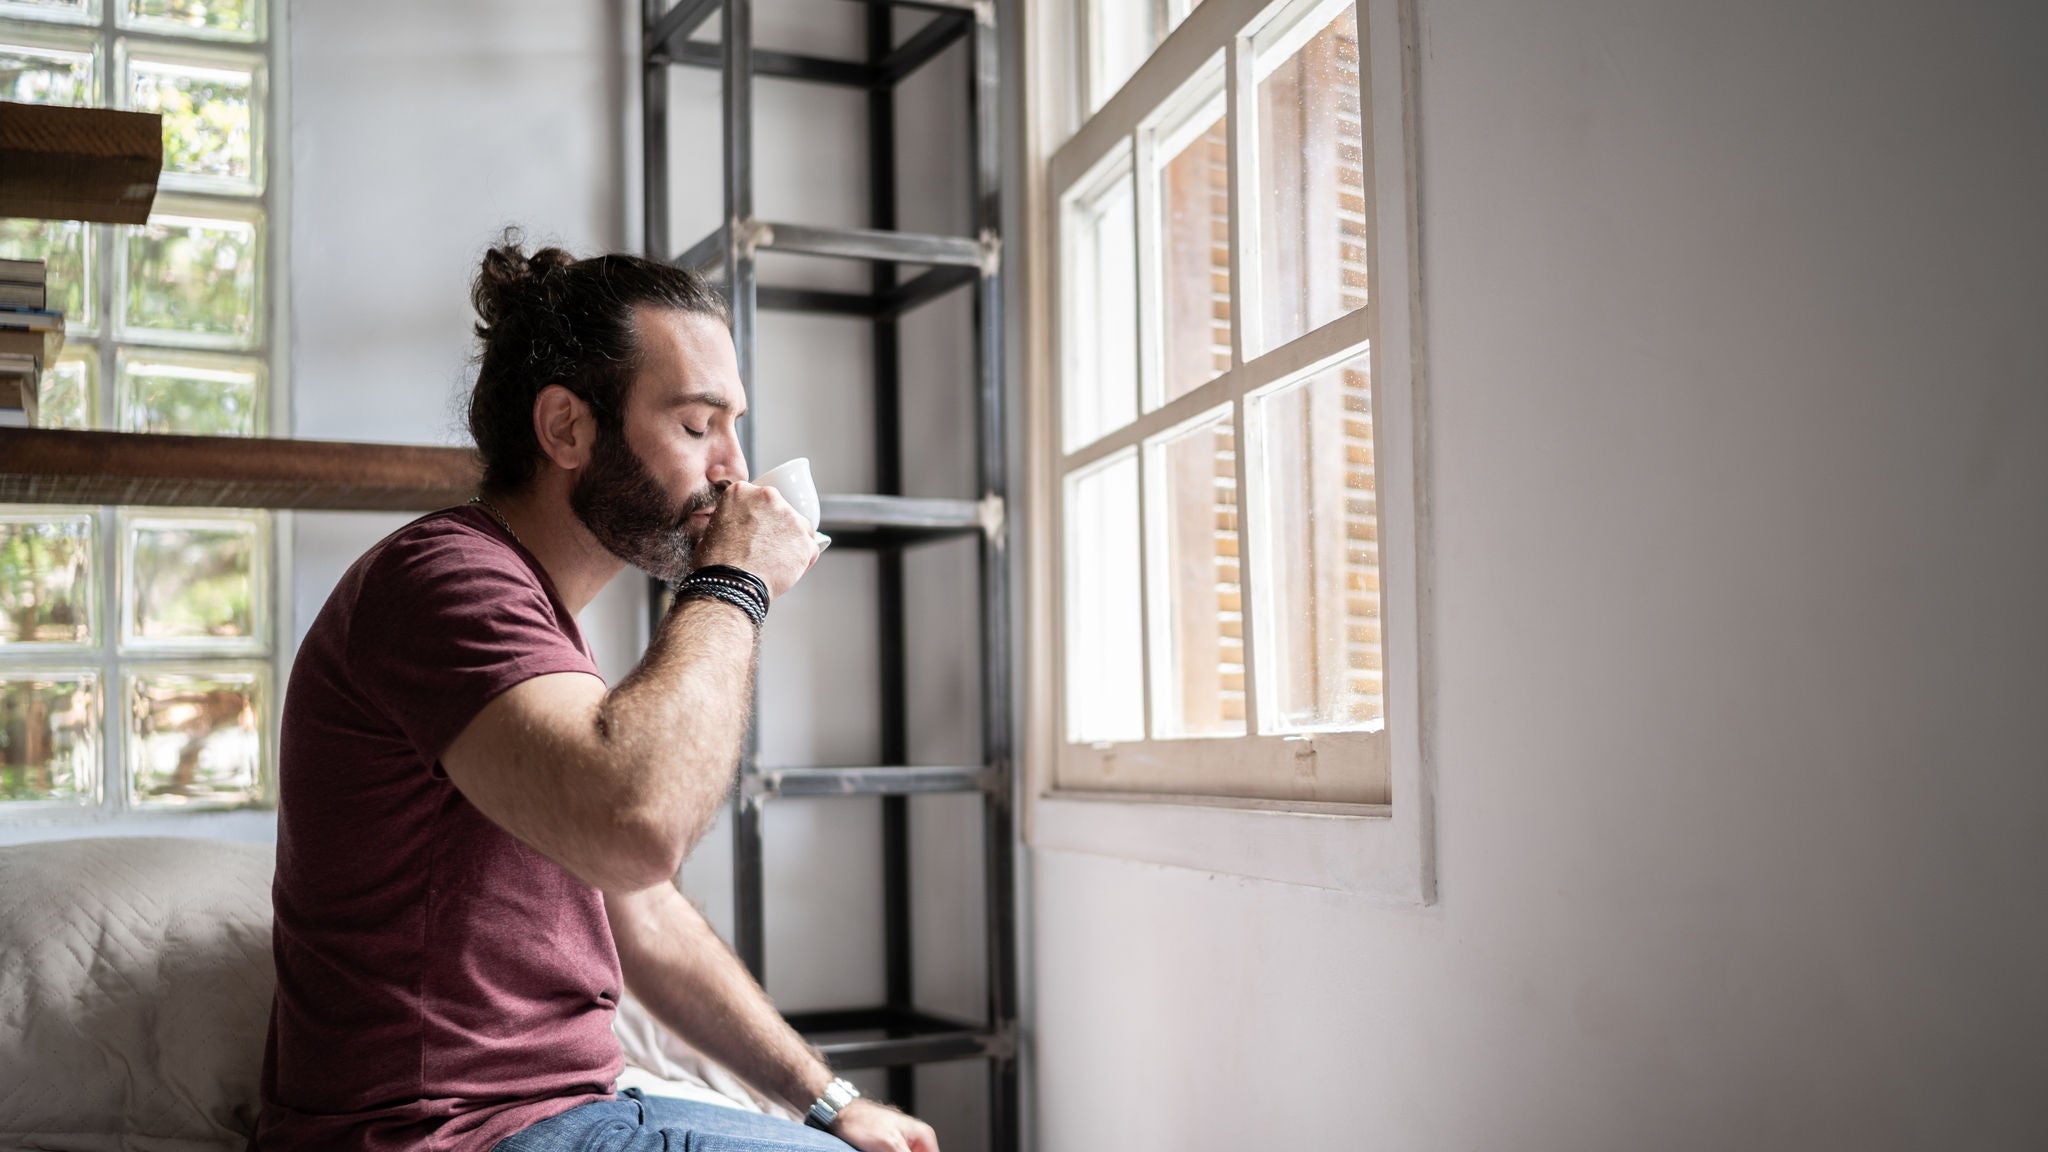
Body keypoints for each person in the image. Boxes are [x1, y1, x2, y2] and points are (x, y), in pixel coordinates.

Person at [253, 236, 940, 1152]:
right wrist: (735, 582)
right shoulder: (445, 583)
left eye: (735, 426)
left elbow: (642, 905)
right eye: (699, 427)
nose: (735, 467)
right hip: (445, 1135)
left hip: (568, 1108)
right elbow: (637, 824)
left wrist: (829, 1100)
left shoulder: (534, 618)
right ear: (567, 428)